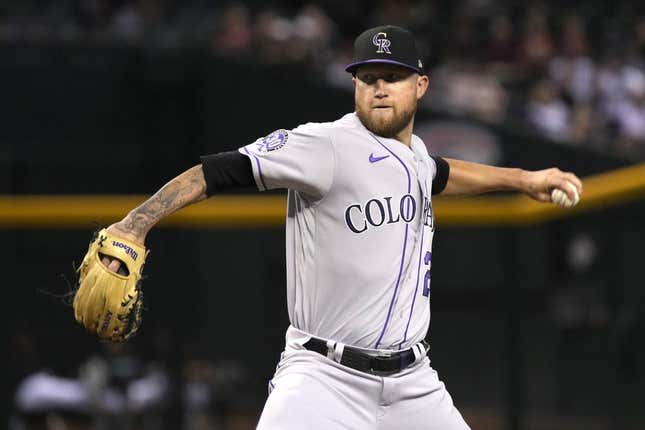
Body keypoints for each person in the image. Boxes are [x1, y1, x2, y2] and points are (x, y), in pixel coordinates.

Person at [98, 25, 583, 429]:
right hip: (323, 377)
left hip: (413, 383)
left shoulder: (413, 157)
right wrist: (137, 223)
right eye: (368, 77)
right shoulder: (323, 145)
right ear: (353, 84)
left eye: (393, 76)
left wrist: (525, 179)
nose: (379, 87)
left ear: (421, 86)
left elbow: (443, 173)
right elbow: (219, 170)